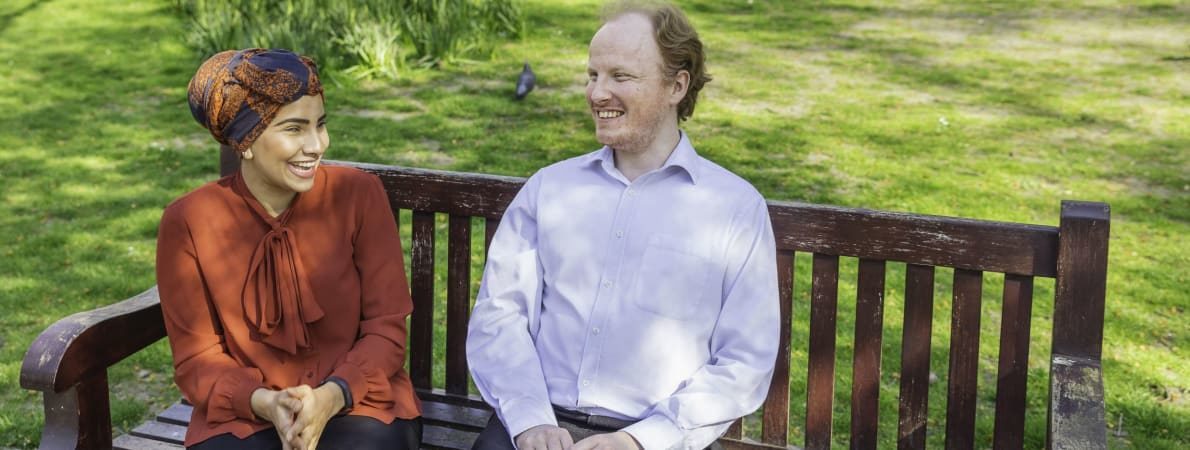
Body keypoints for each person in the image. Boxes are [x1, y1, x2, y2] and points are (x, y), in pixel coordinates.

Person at [466, 2, 780, 450]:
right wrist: (529, 419)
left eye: (621, 76)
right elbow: (500, 315)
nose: (597, 93)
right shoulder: (549, 189)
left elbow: (743, 361)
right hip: (539, 423)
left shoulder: (733, 209)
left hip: (659, 435)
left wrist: (638, 440)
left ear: (677, 85)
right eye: (593, 75)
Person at [158, 48, 421, 450]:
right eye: (295, 129)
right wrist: (266, 402)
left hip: (358, 401)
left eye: (320, 125)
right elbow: (197, 359)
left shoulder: (358, 195)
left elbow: (386, 329)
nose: (317, 145)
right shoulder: (188, 222)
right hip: (247, 414)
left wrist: (330, 396)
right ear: (245, 142)